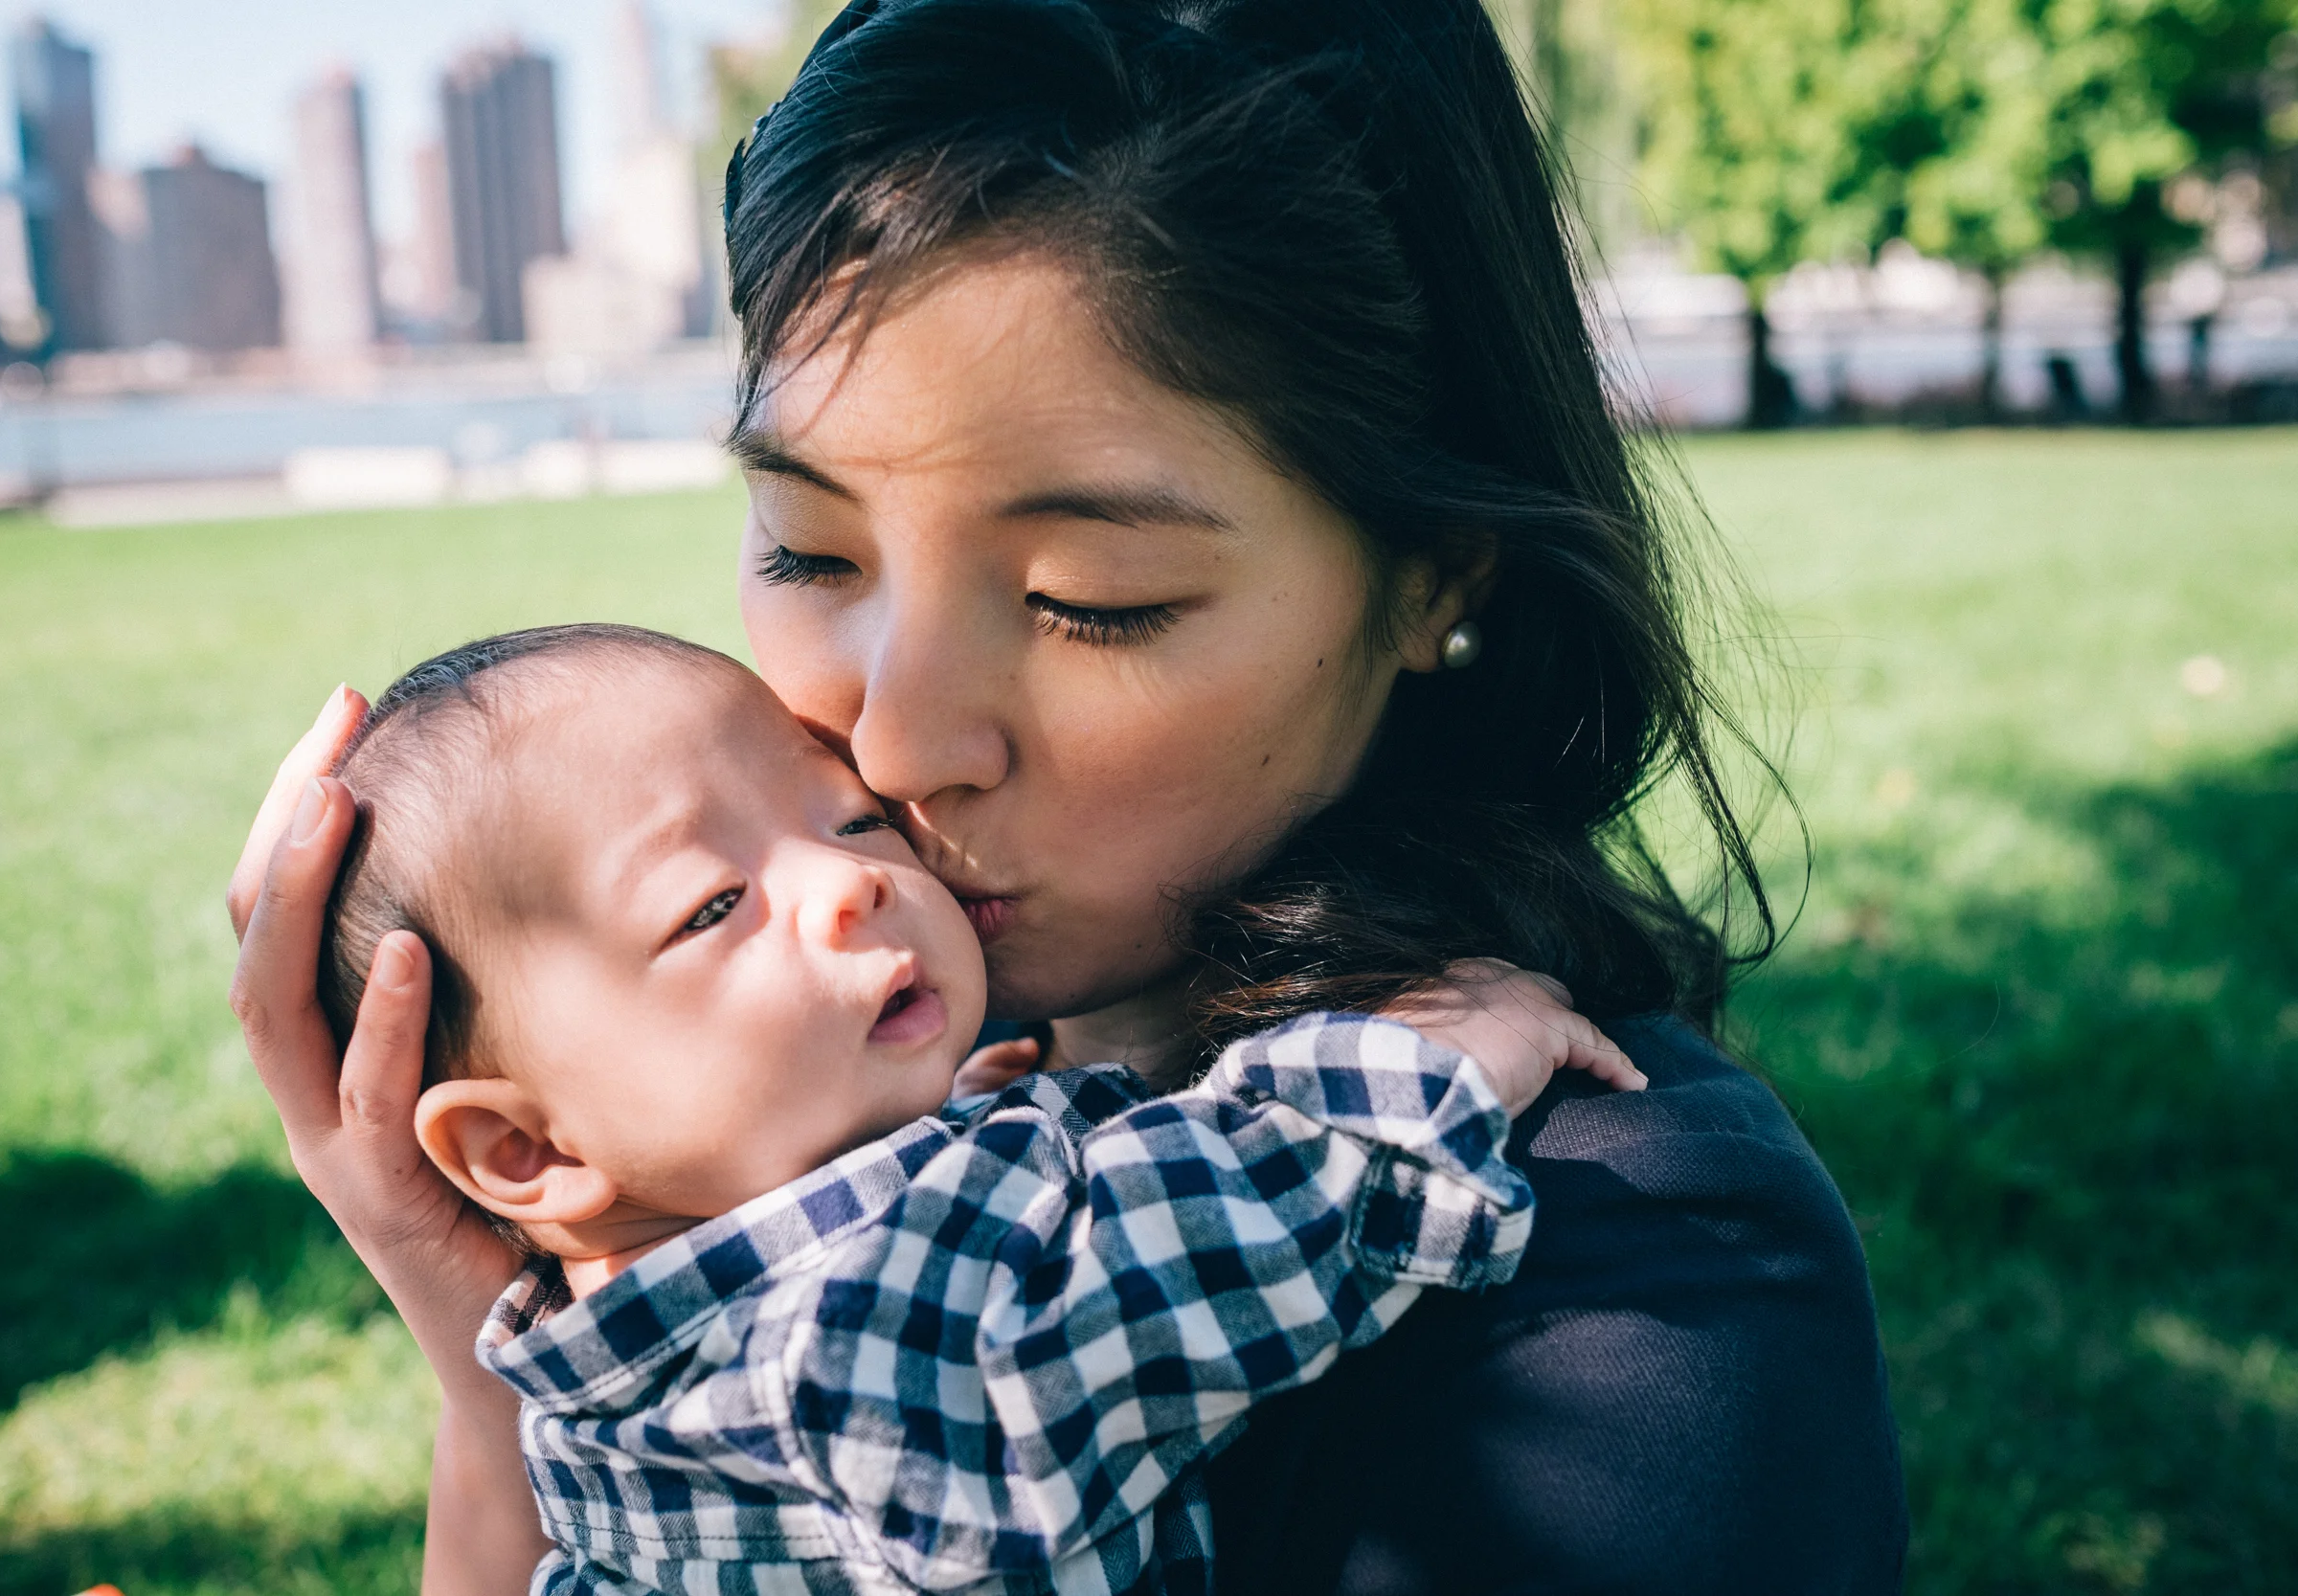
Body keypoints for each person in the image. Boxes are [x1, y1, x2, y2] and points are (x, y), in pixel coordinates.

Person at [228, 0, 1907, 1589]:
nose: (894, 744)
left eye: (1090, 598)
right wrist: (486, 1347)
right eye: (809, 550)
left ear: (1434, 578)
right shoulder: (840, 1130)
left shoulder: (1631, 1271)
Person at [312, 621, 1637, 1594]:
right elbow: (1129, 1298)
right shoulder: (795, 1365)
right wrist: (1400, 1082)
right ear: (524, 1148)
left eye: (850, 820)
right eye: (711, 906)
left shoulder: (656, 1351)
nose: (851, 882)